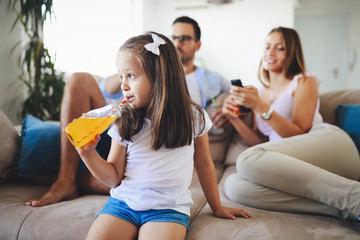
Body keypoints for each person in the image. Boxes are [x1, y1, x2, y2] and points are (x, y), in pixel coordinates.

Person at [24, 16, 229, 207]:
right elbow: (105, 88)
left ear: (197, 44)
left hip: (158, 141)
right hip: (121, 128)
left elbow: (233, 93)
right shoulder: (139, 70)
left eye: (185, 38)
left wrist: (231, 107)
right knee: (79, 79)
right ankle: (66, 177)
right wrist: (131, 70)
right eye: (174, 37)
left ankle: (71, 178)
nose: (178, 42)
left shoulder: (209, 80)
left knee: (114, 179)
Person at [76, 32, 251, 239]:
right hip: (123, 204)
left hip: (167, 209)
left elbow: (204, 164)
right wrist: (87, 154)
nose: (123, 85)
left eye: (130, 75)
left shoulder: (193, 116)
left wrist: (217, 206)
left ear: (159, 75)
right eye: (121, 76)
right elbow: (113, 178)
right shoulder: (125, 120)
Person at [221, 26, 360, 221]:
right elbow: (261, 143)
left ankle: (355, 197)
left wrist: (260, 106)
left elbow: (300, 132)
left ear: (292, 53)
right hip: (293, 161)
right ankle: (345, 210)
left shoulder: (304, 81)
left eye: (280, 48)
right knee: (234, 185)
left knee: (245, 160)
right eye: (267, 46)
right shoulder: (261, 92)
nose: (270, 53)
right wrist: (234, 119)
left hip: (328, 144)